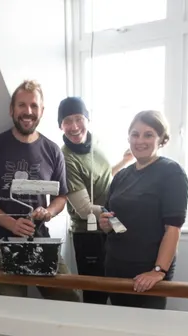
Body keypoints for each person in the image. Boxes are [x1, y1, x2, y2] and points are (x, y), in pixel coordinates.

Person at [0, 79, 80, 301]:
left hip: (39, 237)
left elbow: (61, 197)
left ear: (41, 111)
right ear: (12, 109)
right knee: (13, 305)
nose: (27, 112)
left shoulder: (52, 151)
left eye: (33, 106)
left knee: (69, 299)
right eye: (21, 105)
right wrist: (11, 223)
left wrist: (48, 212)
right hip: (0, 241)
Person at [99, 110, 188, 310]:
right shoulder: (121, 176)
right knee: (119, 330)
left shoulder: (171, 173)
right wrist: (105, 224)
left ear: (161, 139)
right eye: (135, 134)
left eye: (148, 135)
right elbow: (113, 220)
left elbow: (173, 228)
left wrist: (158, 271)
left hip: (148, 273)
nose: (140, 140)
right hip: (115, 268)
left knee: (147, 333)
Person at [57, 96, 134, 305]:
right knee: (96, 295)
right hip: (89, 235)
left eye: (78, 118)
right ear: (60, 126)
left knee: (119, 290)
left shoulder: (95, 143)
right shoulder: (66, 158)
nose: (74, 126)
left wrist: (124, 162)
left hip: (109, 228)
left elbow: (101, 178)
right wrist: (121, 216)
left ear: (87, 119)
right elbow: (83, 209)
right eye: (67, 121)